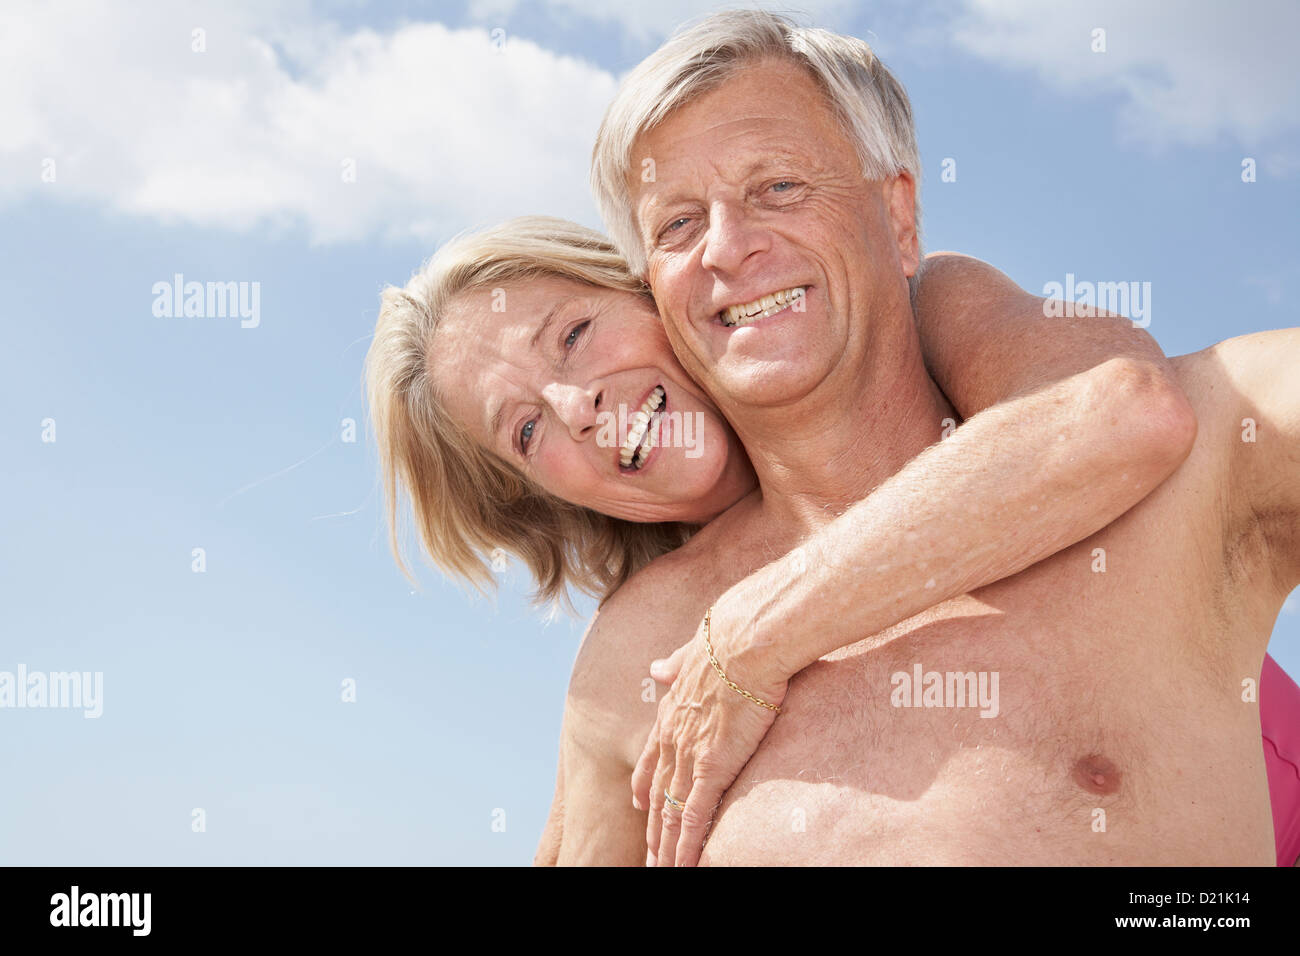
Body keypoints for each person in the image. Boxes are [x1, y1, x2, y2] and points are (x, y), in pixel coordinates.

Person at [565, 10, 1299, 864]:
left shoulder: (1185, 469)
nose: (727, 248)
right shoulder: (635, 651)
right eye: (678, 224)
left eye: (779, 188)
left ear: (899, 216)